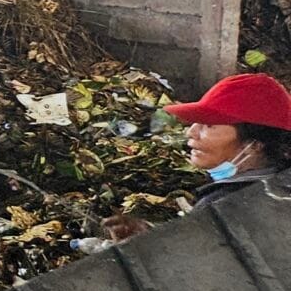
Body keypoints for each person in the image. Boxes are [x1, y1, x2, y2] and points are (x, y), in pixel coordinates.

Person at [106, 72, 291, 240]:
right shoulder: (280, 185)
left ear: (254, 145)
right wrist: (150, 239)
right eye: (196, 123)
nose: (191, 132)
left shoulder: (225, 205)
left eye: (208, 125)